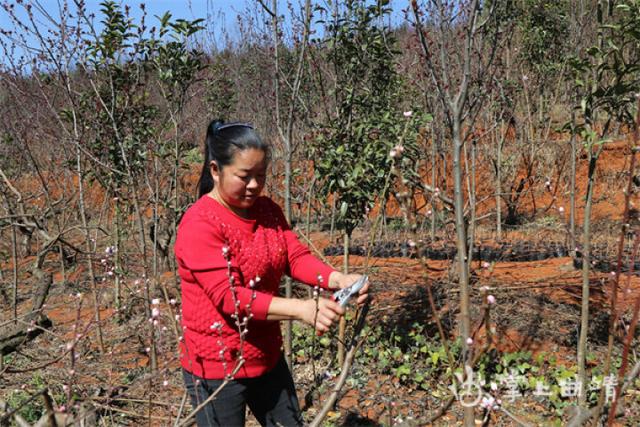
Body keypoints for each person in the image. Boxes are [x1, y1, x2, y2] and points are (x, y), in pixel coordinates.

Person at [175, 120, 369, 427]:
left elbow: (293, 256)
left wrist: (337, 279)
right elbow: (230, 298)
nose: (254, 185)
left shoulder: (267, 210)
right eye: (244, 176)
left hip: (266, 358)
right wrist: (302, 309)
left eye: (261, 175)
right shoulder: (199, 223)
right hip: (217, 368)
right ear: (215, 170)